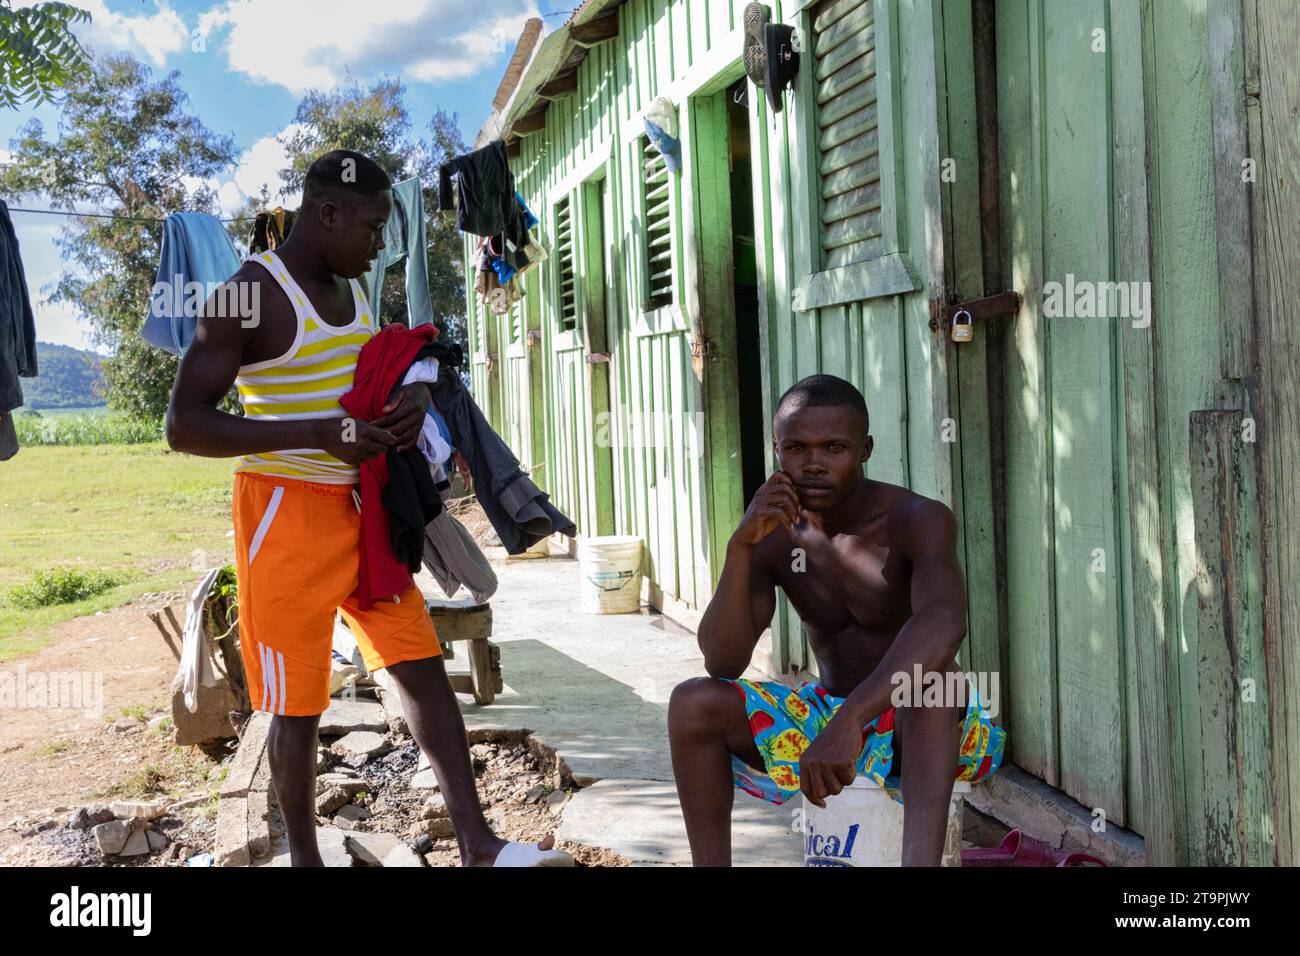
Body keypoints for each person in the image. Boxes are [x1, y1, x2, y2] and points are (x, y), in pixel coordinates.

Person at [166, 149, 570, 867]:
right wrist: (315, 434)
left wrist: (411, 402)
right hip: (284, 515)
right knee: (296, 702)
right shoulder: (245, 294)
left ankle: (478, 844)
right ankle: (307, 862)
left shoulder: (351, 288)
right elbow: (185, 425)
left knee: (417, 663)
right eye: (373, 226)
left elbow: (366, 373)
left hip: (367, 510)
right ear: (326, 213)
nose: (381, 243)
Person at [667, 374, 1006, 866]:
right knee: (692, 701)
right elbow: (722, 660)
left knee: (938, 682)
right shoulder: (773, 532)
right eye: (796, 448)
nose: (814, 465)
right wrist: (739, 547)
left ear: (865, 449)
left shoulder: (918, 518)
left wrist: (850, 721)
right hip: (824, 716)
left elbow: (944, 623)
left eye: (834, 447)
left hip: (926, 731)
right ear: (776, 449)